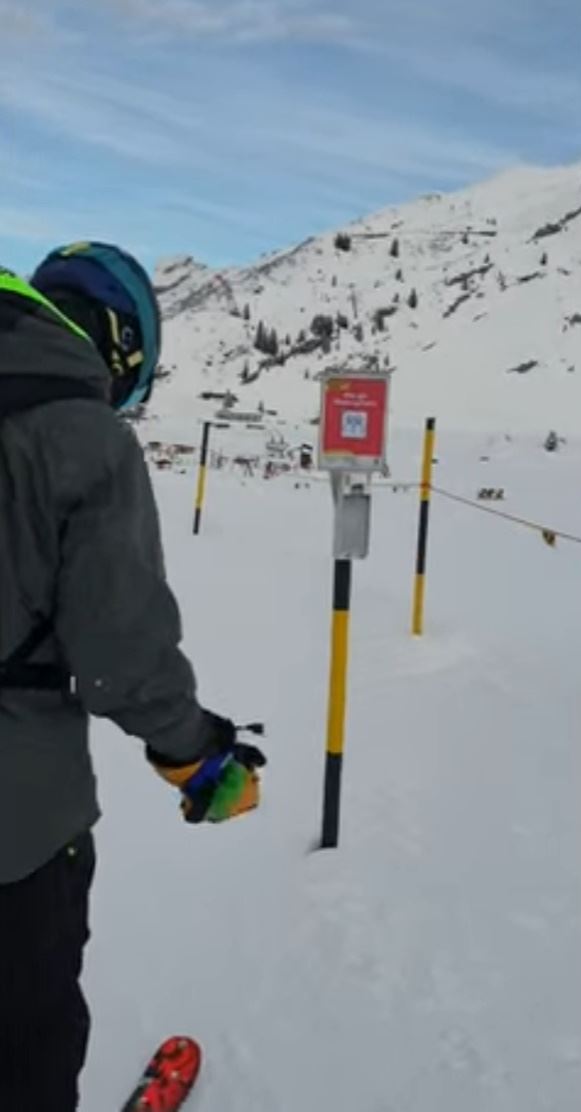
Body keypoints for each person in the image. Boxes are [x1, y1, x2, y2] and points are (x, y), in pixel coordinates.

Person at [0, 243, 266, 1112]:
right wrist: (199, 755)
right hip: (17, 827)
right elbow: (121, 655)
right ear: (120, 347)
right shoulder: (80, 435)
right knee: (24, 1051)